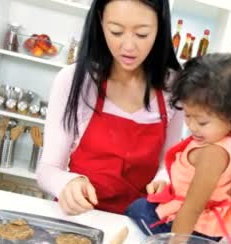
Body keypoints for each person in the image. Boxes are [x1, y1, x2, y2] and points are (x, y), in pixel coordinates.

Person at [37, 0, 183, 215]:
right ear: (100, 21)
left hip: (138, 222)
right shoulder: (75, 80)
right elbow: (47, 169)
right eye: (116, 31)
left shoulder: (174, 87)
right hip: (80, 217)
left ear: (160, 28)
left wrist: (164, 179)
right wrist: (65, 183)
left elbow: (168, 164)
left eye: (142, 34)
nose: (129, 46)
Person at [124, 53, 231, 244]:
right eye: (187, 115)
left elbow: (192, 208)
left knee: (138, 208)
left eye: (202, 121)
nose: (192, 126)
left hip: (194, 229)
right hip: (206, 223)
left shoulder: (213, 154)